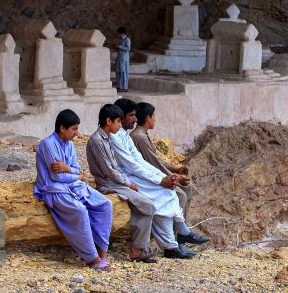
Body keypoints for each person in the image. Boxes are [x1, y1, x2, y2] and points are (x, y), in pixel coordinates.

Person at [111, 98, 209, 257]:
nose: (135, 120)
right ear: (119, 117)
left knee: (167, 192)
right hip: (124, 178)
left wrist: (165, 178)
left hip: (134, 173)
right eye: (131, 116)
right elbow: (131, 165)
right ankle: (175, 241)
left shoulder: (124, 135)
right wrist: (161, 179)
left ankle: (174, 243)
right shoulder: (116, 137)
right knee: (165, 194)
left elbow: (140, 161)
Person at [34, 109, 113, 271]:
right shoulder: (48, 145)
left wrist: (68, 169)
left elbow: (77, 168)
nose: (77, 133)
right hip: (54, 189)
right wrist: (77, 175)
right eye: (74, 129)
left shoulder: (69, 144)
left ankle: (102, 253)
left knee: (105, 204)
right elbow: (57, 177)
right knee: (80, 211)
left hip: (74, 186)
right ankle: (92, 258)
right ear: (63, 128)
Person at [86, 104, 160, 263]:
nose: (120, 125)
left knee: (146, 205)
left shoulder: (105, 138)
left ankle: (140, 248)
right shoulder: (97, 140)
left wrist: (128, 182)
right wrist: (128, 183)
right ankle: (138, 249)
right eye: (118, 122)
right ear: (108, 120)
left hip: (115, 181)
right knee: (148, 205)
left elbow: (114, 166)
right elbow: (109, 171)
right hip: (108, 185)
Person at [113, 27, 131, 92]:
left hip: (124, 58)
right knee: (118, 72)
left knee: (124, 72)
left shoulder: (127, 39)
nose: (119, 35)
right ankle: (119, 86)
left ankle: (125, 87)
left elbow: (128, 49)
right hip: (119, 57)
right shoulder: (121, 40)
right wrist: (116, 47)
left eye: (120, 34)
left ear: (123, 33)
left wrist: (119, 46)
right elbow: (120, 48)